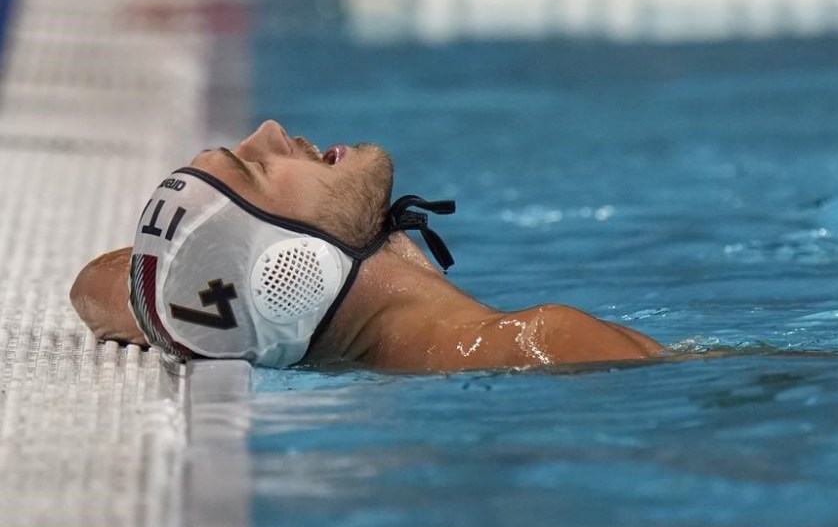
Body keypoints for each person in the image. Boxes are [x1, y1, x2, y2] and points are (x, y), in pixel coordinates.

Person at [71, 120, 669, 372]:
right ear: (288, 264)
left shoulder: (238, 320)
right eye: (255, 168)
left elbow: (98, 286)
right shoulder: (546, 344)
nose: (272, 132)